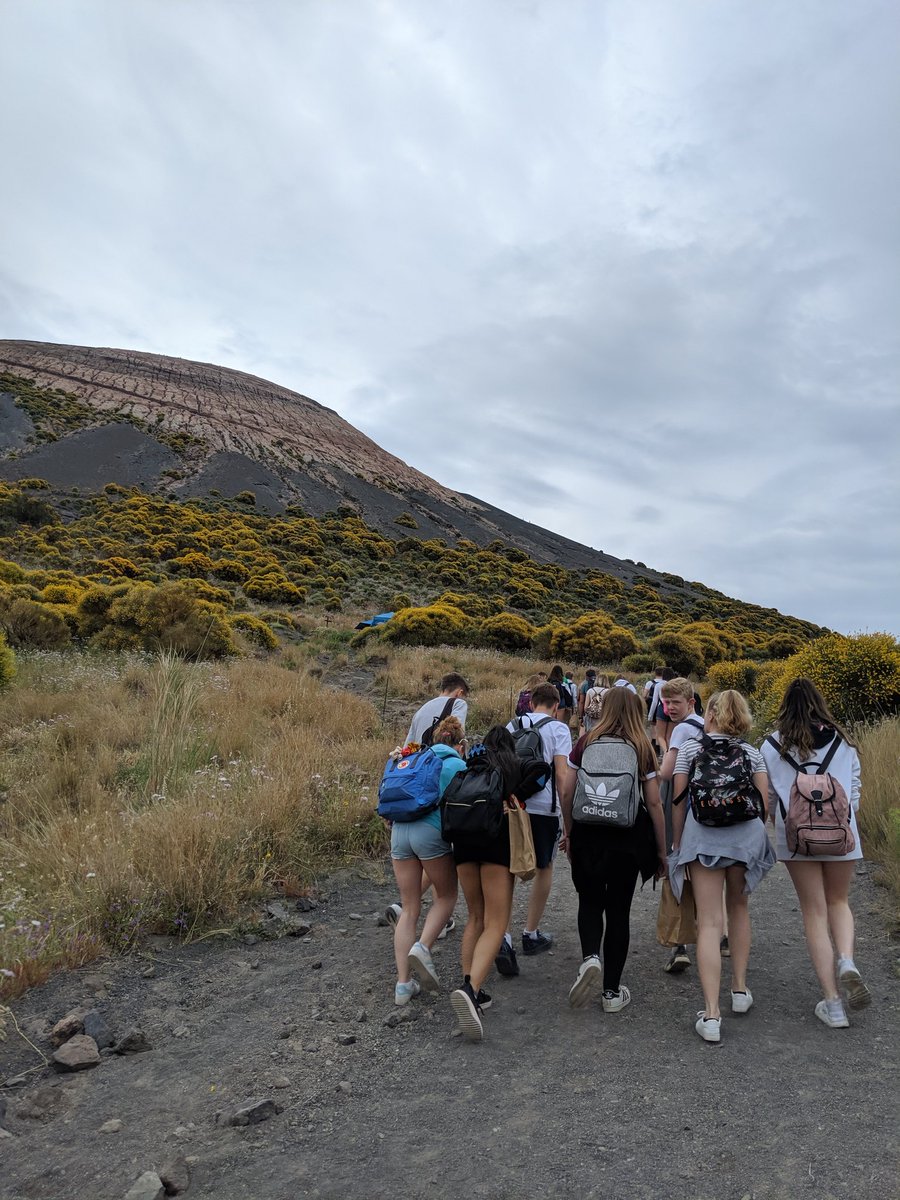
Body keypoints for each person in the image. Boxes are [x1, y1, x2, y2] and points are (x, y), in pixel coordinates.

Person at [761, 677, 869, 1028]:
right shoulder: (843, 742)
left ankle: (833, 1004)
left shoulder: (771, 745)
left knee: (814, 910)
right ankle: (847, 960)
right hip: (842, 833)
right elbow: (854, 793)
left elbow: (770, 800)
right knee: (839, 901)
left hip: (796, 839)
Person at [670, 690, 775, 1044]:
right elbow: (763, 804)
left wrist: (677, 843)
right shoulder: (751, 752)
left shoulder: (689, 750)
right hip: (744, 840)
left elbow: (678, 803)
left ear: (711, 715)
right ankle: (740, 990)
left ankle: (712, 1014)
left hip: (703, 840)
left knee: (710, 922)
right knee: (739, 909)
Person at [559, 687, 667, 1012]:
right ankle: (611, 993)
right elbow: (654, 802)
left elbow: (567, 792)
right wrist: (661, 851)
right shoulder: (642, 747)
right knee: (619, 911)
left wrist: (569, 832)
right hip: (626, 839)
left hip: (586, 835)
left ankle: (591, 957)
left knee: (589, 902)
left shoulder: (585, 741)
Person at [448, 726, 522, 1041]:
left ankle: (472, 987)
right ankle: (471, 990)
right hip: (495, 845)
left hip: (463, 845)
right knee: (496, 922)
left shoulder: (469, 769)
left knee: (475, 917)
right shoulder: (510, 767)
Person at [495, 683, 572, 974]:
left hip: (513, 806)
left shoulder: (512, 725)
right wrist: (567, 820)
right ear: (556, 706)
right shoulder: (559, 729)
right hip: (544, 810)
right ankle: (531, 933)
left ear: (531, 703)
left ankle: (503, 936)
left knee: (508, 869)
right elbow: (562, 775)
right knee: (544, 867)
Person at [389, 717, 464, 1005]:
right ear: (460, 743)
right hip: (430, 832)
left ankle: (403, 985)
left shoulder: (414, 757)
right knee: (446, 896)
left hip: (399, 832)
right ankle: (423, 947)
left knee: (409, 908)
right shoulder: (456, 764)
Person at [657, 676, 706, 974]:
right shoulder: (706, 725)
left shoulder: (683, 729)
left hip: (680, 804)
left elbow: (667, 772)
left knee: (678, 867)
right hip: (705, 808)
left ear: (690, 702)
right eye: (666, 703)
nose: (670, 708)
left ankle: (680, 943)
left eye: (675, 702)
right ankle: (720, 934)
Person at [405, 673, 470, 745]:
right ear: (459, 693)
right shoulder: (458, 703)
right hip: (441, 751)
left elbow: (408, 746)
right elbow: (458, 734)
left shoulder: (420, 710)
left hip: (421, 752)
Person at [651, 668, 677, 754]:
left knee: (660, 736)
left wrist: (650, 716)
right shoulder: (675, 686)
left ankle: (664, 753)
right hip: (673, 710)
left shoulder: (659, 685)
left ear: (663, 675)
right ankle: (670, 753)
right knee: (669, 737)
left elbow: (655, 701)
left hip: (662, 709)